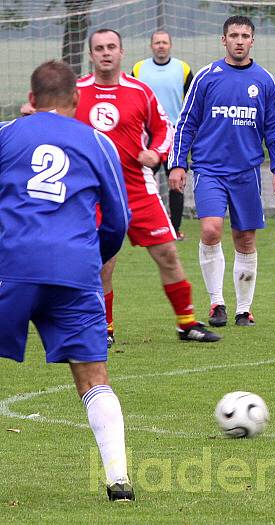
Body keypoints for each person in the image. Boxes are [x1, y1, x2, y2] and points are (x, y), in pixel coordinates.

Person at [0, 60, 134, 500]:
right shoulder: (97, 141)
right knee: (94, 376)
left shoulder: (5, 134)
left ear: (31, 100)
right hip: (75, 271)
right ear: (77, 101)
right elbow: (119, 218)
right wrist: (95, 255)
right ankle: (118, 478)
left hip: (13, 266)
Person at [78, 28, 219, 345]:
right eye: (99, 48)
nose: (105, 52)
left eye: (111, 46)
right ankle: (105, 328)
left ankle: (187, 324)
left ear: (122, 52)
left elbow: (164, 129)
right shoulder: (76, 92)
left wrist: (156, 153)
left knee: (168, 253)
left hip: (138, 190)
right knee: (103, 262)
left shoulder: (139, 91)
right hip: (94, 194)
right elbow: (53, 123)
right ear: (91, 54)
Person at [169, 15, 275, 328]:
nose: (239, 40)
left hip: (246, 172)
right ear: (223, 40)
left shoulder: (264, 81)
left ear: (252, 41)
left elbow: (274, 127)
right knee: (210, 230)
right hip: (209, 169)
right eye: (233, 35)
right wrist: (178, 163)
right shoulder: (207, 77)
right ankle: (217, 302)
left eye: (244, 35)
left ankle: (243, 310)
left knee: (245, 239)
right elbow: (186, 123)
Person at [132, 29, 193, 241]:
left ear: (170, 45)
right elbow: (132, 98)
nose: (161, 46)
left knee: (176, 183)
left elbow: (192, 102)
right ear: (151, 45)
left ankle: (175, 229)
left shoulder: (183, 69)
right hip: (147, 136)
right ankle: (143, 227)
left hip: (174, 135)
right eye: (157, 42)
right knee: (141, 182)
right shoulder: (139, 69)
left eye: (164, 42)